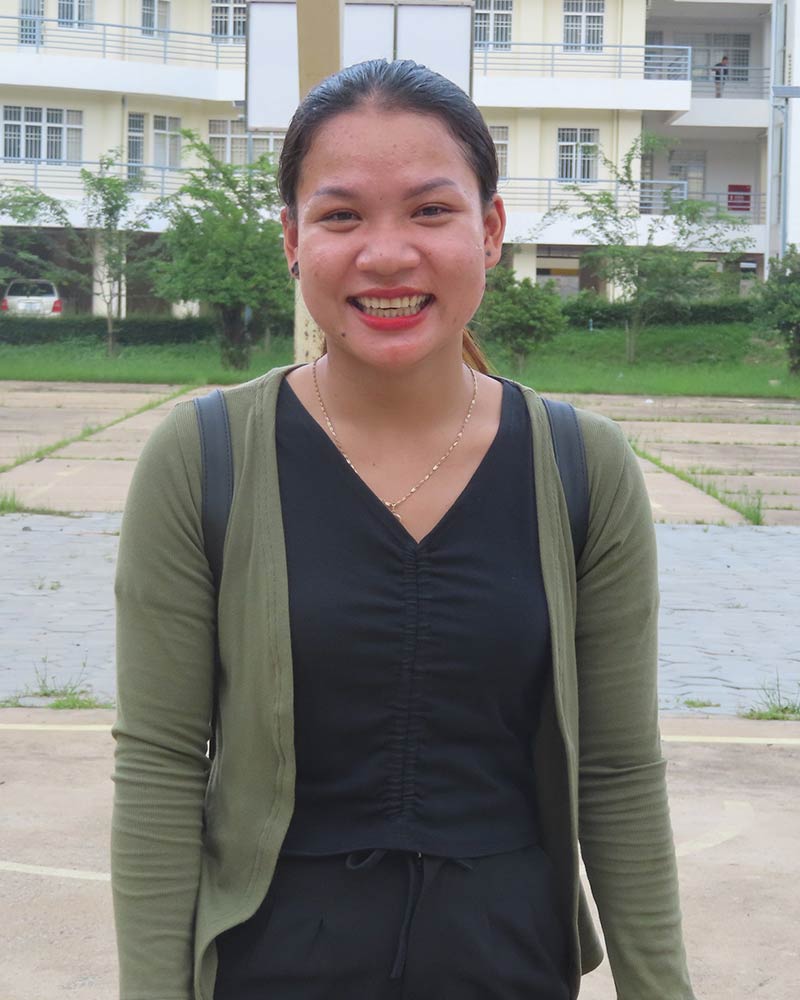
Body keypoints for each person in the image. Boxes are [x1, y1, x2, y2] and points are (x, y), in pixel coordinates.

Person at [112, 59, 696, 1000]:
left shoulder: (583, 467)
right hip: (272, 970)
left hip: (509, 966)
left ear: (491, 230)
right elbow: (160, 762)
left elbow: (620, 770)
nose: (386, 255)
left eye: (430, 211)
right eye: (342, 216)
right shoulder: (203, 458)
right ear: (294, 242)